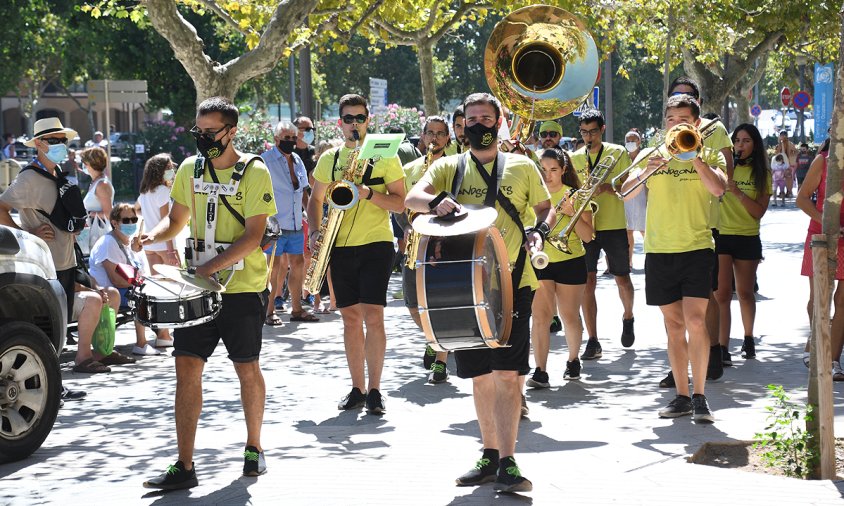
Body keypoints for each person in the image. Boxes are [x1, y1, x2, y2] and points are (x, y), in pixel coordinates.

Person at [406, 92, 553, 493]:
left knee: (507, 374)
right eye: (471, 119)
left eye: (485, 118)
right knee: (479, 377)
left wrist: (539, 233)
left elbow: (545, 207)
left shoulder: (522, 165)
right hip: (463, 286)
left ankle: (507, 461)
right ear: (462, 125)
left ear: (498, 120)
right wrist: (436, 201)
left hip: (514, 284)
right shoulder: (450, 167)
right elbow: (410, 198)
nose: (478, 125)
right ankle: (488, 455)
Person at [141, 96, 277, 489]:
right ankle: (185, 465)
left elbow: (254, 235)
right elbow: (176, 220)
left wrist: (207, 268)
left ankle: (254, 447)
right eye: (198, 131)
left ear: (231, 131)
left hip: (243, 288)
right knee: (186, 368)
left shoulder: (254, 172)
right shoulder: (188, 168)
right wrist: (152, 235)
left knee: (246, 367)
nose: (202, 138)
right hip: (199, 289)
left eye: (210, 131)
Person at [621, 94, 726, 423]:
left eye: (683, 120)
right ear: (664, 122)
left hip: (696, 247)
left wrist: (694, 157)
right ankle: (681, 395)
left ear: (695, 124)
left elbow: (719, 189)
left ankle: (700, 396)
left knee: (696, 321)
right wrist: (644, 173)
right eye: (670, 120)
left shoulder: (708, 153)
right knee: (674, 325)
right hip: (659, 249)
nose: (676, 125)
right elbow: (624, 191)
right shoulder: (654, 154)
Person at [307, 94, 406, 415]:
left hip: (377, 243)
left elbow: (400, 202)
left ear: (368, 121)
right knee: (350, 319)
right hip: (339, 244)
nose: (354, 124)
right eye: (348, 119)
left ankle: (376, 389)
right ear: (340, 123)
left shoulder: (385, 155)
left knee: (373, 316)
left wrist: (368, 193)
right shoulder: (329, 159)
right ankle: (357, 388)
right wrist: (314, 230)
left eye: (359, 118)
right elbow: (315, 199)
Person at [663, 76, 734, 387]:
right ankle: (681, 366)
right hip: (670, 228)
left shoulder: (715, 130)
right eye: (676, 96)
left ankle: (714, 350)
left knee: (707, 294)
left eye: (687, 96)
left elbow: (725, 176)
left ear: (697, 103)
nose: (682, 98)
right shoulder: (664, 135)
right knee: (675, 309)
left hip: (707, 221)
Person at [0, 118, 81, 326]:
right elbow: (1, 208)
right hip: (45, 267)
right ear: (38, 143)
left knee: (62, 327)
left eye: (62, 140)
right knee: (47, 330)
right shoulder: (28, 178)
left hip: (66, 263)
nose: (60, 144)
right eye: (53, 140)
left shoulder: (57, 174)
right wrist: (28, 236)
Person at [569, 109, 635, 358]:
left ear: (602, 129)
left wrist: (610, 186)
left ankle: (628, 316)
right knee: (588, 281)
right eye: (584, 132)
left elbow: (630, 182)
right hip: (586, 224)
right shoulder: (575, 158)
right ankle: (593, 339)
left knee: (622, 279)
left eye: (593, 131)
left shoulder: (617, 152)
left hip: (613, 223)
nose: (589, 137)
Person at [527, 148, 592, 387]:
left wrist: (573, 213)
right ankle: (540, 370)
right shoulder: (532, 195)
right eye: (543, 170)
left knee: (568, 315)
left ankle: (573, 359)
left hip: (571, 260)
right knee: (540, 318)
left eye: (553, 170)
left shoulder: (576, 195)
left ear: (564, 170)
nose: (548, 175)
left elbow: (588, 236)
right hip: (540, 261)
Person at [713, 124, 771, 366]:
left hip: (747, 236)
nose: (740, 145)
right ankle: (723, 347)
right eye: (736, 140)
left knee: (746, 293)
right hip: (722, 235)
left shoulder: (762, 174)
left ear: (754, 144)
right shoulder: (723, 169)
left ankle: (748, 337)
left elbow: (758, 212)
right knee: (722, 294)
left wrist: (737, 193)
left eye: (746, 141)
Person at [402, 116, 451, 383]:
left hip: (445, 241)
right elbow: (402, 203)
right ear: (422, 136)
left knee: (440, 302)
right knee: (412, 303)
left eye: (440, 134)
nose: (434, 138)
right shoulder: (410, 168)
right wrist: (406, 226)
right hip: (415, 241)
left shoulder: (455, 167)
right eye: (430, 133)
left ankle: (441, 361)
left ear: (447, 138)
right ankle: (433, 338)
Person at [796, 138, 844, 380]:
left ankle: (833, 359)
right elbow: (802, 198)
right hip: (821, 235)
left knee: (843, 300)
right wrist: (827, 222)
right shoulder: (823, 162)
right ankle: (815, 343)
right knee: (819, 298)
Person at [89, 203, 162, 356]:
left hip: (122, 288)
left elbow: (139, 272)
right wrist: (141, 284)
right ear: (115, 223)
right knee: (141, 295)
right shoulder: (108, 243)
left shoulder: (128, 242)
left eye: (134, 219)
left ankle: (164, 336)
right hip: (109, 291)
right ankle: (141, 343)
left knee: (155, 290)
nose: (131, 223)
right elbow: (115, 279)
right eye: (126, 220)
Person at [262, 120, 315, 325]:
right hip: (275, 224)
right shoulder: (265, 161)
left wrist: (311, 218)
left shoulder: (297, 160)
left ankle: (297, 309)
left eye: (294, 138)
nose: (291, 141)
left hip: (295, 223)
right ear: (276, 139)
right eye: (287, 138)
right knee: (273, 268)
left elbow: (303, 191)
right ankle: (269, 311)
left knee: (299, 264)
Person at [136, 153, 180, 347]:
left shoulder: (145, 192)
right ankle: (165, 334)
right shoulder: (162, 191)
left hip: (150, 246)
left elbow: (137, 210)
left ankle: (162, 333)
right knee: (169, 289)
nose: (173, 169)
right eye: (169, 166)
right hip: (163, 245)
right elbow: (167, 222)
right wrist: (171, 251)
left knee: (157, 289)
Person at [81, 147, 115, 252]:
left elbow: (109, 213)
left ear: (90, 164)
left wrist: (90, 214)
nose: (83, 165)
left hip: (101, 236)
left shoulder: (102, 185)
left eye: (84, 163)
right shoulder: (96, 182)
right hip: (94, 236)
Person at [623, 129, 646, 269]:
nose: (630, 143)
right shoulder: (623, 158)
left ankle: (649, 260)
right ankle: (628, 262)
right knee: (628, 231)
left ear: (639, 142)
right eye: (628, 141)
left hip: (643, 197)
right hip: (627, 199)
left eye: (633, 140)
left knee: (645, 231)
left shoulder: (645, 157)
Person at [774, 130, 798, 198]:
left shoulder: (790, 144)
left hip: (789, 164)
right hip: (781, 164)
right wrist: (780, 144)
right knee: (780, 178)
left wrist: (792, 156)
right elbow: (776, 153)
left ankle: (789, 192)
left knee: (789, 178)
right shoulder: (779, 145)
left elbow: (796, 151)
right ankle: (782, 192)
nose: (783, 137)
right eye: (781, 135)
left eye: (784, 135)